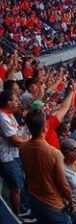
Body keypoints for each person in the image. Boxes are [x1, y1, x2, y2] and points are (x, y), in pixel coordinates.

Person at [19, 107, 75, 224]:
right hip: (53, 205)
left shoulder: (23, 148)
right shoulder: (54, 153)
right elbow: (63, 185)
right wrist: (71, 201)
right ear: (45, 127)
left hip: (35, 201)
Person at [0, 90, 29, 218]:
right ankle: (17, 214)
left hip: (15, 155)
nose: (18, 102)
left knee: (19, 184)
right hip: (7, 158)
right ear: (8, 102)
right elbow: (16, 141)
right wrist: (27, 140)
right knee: (16, 187)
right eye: (15, 100)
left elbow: (18, 134)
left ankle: (22, 209)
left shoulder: (10, 115)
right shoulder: (2, 118)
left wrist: (23, 138)